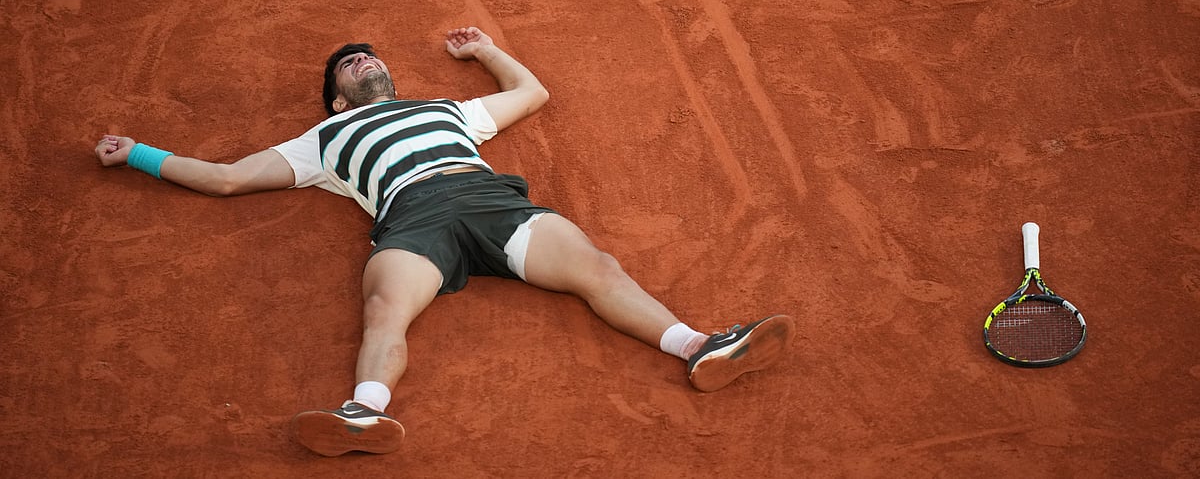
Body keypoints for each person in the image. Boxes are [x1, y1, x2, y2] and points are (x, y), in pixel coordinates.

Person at [95, 26, 795, 457]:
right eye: (348, 64)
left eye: (367, 55)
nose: (361, 59)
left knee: (598, 268)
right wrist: (138, 154)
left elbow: (532, 93)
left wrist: (487, 51)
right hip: (413, 219)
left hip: (491, 202)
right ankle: (363, 413)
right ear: (337, 99)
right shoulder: (323, 139)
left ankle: (699, 348)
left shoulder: (445, 110)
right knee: (384, 310)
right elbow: (225, 178)